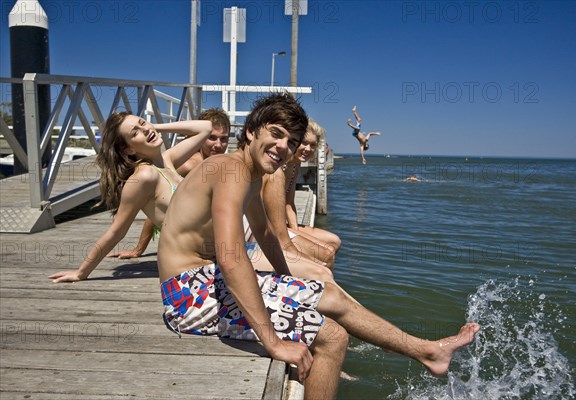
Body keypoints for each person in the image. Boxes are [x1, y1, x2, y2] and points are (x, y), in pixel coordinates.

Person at [157, 93, 480, 399]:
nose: (283, 146)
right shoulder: (230, 169)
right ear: (252, 132)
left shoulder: (249, 174)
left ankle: (427, 351)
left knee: (331, 294)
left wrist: (288, 281)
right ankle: (413, 353)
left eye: (292, 142)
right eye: (276, 133)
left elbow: (266, 235)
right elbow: (232, 259)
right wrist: (273, 342)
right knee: (332, 336)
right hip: (188, 296)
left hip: (206, 280)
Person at [48, 112, 212, 283]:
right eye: (135, 133)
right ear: (129, 149)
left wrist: (152, 127)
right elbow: (116, 231)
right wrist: (81, 273)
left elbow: (205, 128)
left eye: (143, 123)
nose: (145, 129)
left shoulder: (166, 160)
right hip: (197, 262)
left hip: (218, 250)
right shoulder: (144, 176)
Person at [107, 108, 231, 259]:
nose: (218, 145)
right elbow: (159, 204)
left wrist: (151, 127)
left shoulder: (219, 163)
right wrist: (138, 249)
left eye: (224, 139)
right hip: (192, 250)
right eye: (212, 138)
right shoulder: (189, 165)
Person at [280, 119, 341, 269]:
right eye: (304, 143)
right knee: (326, 253)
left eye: (312, 145)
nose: (308, 148)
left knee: (334, 241)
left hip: (283, 224)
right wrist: (296, 236)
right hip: (269, 227)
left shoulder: (295, 164)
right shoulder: (281, 166)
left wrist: (295, 230)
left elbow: (289, 203)